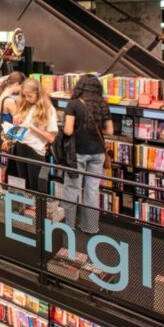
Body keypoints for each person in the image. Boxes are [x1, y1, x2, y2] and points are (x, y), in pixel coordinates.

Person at [60, 74, 114, 235]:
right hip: (97, 153)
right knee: (92, 191)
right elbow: (109, 130)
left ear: (80, 87)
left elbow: (68, 130)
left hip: (77, 153)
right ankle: (90, 227)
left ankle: (68, 225)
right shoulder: (102, 105)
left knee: (72, 188)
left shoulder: (74, 104)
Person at [9, 78, 58, 192]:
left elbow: (51, 138)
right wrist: (15, 125)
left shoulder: (48, 110)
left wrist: (33, 128)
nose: (26, 99)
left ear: (38, 93)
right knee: (22, 186)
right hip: (20, 147)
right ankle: (25, 209)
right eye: (24, 95)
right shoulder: (26, 105)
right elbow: (22, 130)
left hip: (35, 151)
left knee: (35, 188)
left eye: (29, 96)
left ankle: (35, 210)